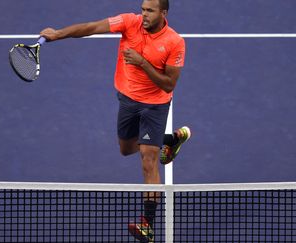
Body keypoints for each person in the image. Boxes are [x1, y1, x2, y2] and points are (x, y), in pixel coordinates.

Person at [40, 0, 190, 241]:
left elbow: (169, 83)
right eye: (142, 9)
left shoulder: (175, 42)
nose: (144, 15)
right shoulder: (129, 22)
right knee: (126, 149)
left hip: (155, 105)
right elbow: (91, 27)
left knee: (148, 160)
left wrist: (141, 62)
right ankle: (171, 140)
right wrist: (58, 34)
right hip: (128, 100)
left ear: (163, 13)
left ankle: (147, 225)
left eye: (149, 11)